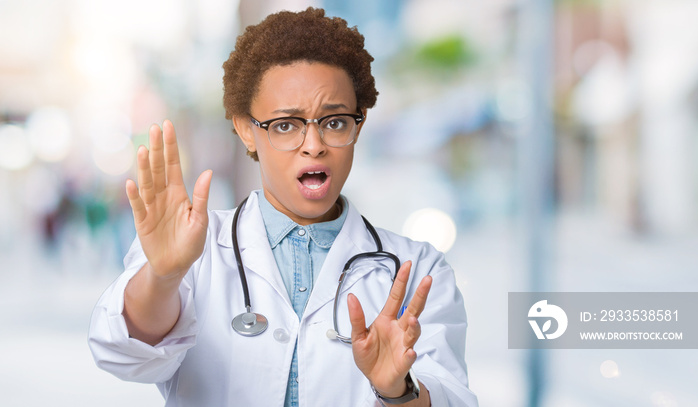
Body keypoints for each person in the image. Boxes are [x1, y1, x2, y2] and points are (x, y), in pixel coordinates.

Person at [88, 7, 478, 407]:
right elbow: (123, 354)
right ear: (245, 129)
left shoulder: (418, 271)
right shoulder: (194, 251)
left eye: (335, 121)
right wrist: (164, 277)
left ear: (358, 126)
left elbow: (453, 397)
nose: (314, 145)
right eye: (286, 125)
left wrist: (398, 391)